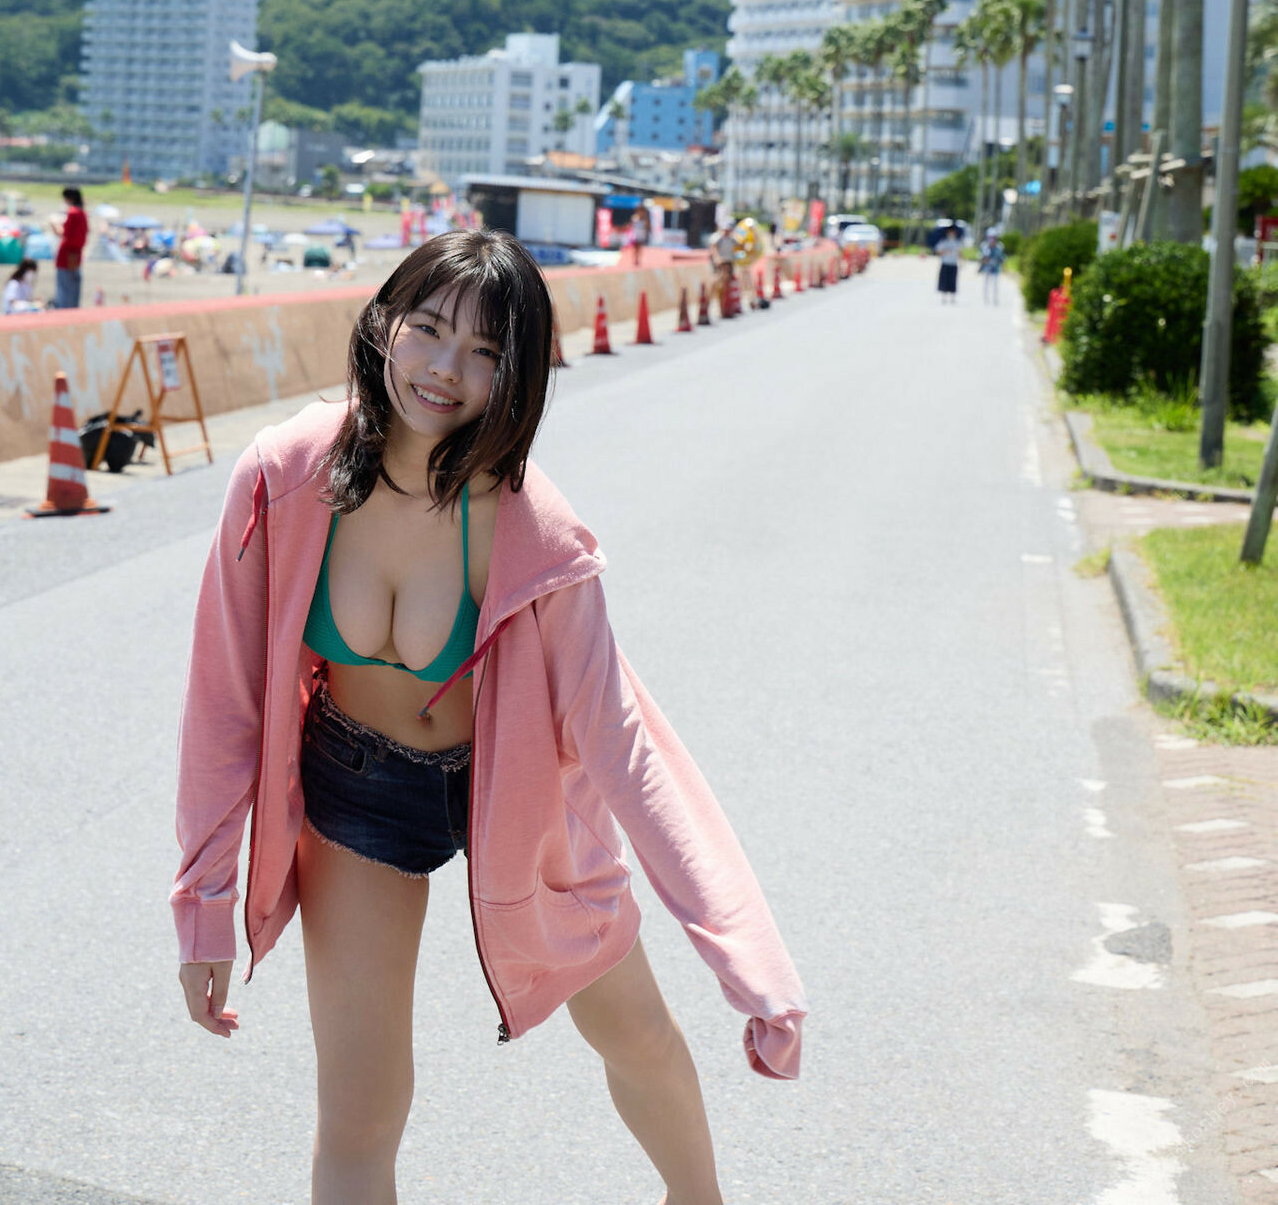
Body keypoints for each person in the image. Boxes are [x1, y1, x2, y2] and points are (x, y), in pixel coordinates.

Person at [172, 230, 805, 1203]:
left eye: (483, 352)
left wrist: (749, 966)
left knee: (631, 1032)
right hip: (355, 788)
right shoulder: (283, 475)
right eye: (427, 329)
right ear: (383, 322)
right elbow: (225, 703)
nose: (444, 370)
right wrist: (203, 911)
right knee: (359, 1112)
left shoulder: (537, 533)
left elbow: (623, 747)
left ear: (517, 374)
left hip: (519, 798)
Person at [51, 186, 88, 310]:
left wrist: (54, 225)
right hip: (76, 254)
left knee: (63, 290)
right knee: (74, 291)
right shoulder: (82, 213)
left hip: (66, 255)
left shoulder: (73, 213)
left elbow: (65, 234)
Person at [935, 221, 962, 304]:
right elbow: (938, 252)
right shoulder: (943, 241)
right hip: (945, 263)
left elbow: (960, 253)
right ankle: (944, 297)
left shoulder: (957, 242)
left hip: (953, 263)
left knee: (953, 281)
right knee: (944, 281)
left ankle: (952, 298)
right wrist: (945, 252)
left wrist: (962, 261)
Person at [978, 228, 1005, 306]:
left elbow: (1002, 259)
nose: (992, 240)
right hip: (987, 269)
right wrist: (984, 260)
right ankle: (986, 299)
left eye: (993, 238)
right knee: (986, 284)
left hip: (996, 269)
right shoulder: (984, 247)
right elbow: (980, 258)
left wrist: (1003, 268)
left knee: (995, 285)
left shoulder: (999, 247)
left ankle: (995, 299)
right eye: (990, 238)